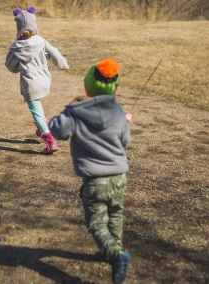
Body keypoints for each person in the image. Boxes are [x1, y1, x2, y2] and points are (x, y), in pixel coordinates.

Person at [48, 58, 132, 284]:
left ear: (87, 86)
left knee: (95, 222)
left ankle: (116, 255)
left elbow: (57, 130)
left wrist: (59, 118)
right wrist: (126, 123)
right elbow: (125, 140)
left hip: (95, 180)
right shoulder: (118, 111)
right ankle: (114, 250)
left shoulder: (75, 113)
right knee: (115, 214)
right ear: (114, 87)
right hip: (119, 177)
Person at [5, 6, 69, 154]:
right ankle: (42, 128)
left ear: (18, 27)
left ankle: (49, 139)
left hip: (30, 85)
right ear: (34, 25)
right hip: (44, 81)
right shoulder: (41, 41)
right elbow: (56, 54)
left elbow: (10, 66)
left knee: (36, 112)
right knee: (38, 106)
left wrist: (17, 68)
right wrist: (63, 65)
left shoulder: (15, 47)